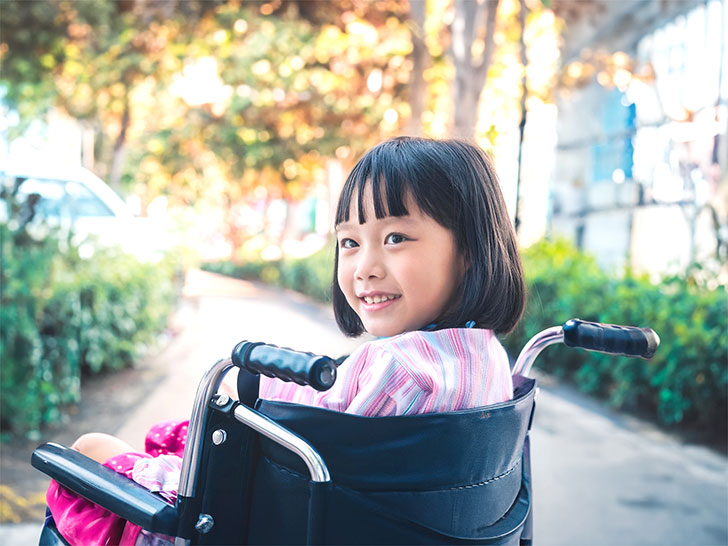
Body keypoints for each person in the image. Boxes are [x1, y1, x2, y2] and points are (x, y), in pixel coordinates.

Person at [46, 136, 526, 545]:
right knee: (183, 433)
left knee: (89, 449)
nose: (365, 268)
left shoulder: (396, 371)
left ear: (469, 250)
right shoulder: (489, 362)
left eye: (396, 237)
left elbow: (293, 466)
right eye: (350, 242)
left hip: (256, 522)